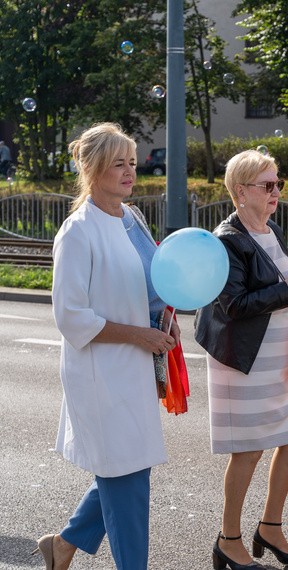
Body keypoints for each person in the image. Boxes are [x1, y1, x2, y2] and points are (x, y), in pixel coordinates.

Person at [32, 123, 178, 570]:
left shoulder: (132, 217)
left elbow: (150, 284)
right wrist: (140, 334)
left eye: (132, 161)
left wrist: (167, 313)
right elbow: (70, 316)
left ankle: (63, 545)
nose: (130, 170)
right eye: (118, 163)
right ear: (92, 169)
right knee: (127, 478)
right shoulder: (77, 232)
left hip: (135, 364)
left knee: (128, 467)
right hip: (100, 372)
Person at [194, 149, 288, 570]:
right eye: (267, 186)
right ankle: (228, 539)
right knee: (247, 451)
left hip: (275, 357)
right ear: (239, 191)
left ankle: (269, 526)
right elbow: (231, 304)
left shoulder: (272, 230)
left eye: (278, 184)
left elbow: (283, 286)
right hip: (242, 361)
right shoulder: (226, 240)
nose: (276, 192)